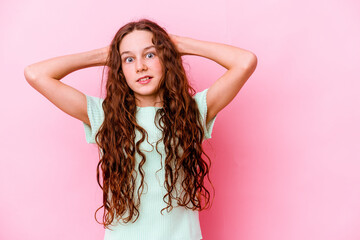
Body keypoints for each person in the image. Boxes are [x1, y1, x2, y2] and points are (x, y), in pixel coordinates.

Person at [24, 19, 257, 240]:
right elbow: (36, 74)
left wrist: (179, 44)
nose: (140, 67)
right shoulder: (104, 115)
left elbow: (245, 61)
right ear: (119, 69)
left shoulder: (193, 112)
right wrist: (106, 55)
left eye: (150, 54)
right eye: (128, 60)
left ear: (166, 57)